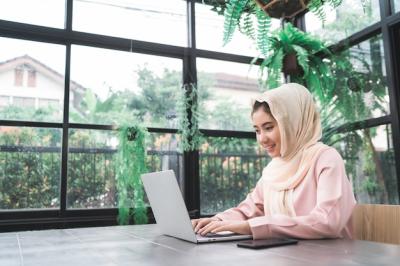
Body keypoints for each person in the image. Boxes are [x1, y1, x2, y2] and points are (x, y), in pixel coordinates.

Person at [192, 83, 356, 240]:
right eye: (257, 130)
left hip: (331, 257)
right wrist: (218, 220)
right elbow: (249, 210)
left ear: (291, 123)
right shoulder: (274, 169)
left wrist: (251, 227)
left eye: (268, 127)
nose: (262, 139)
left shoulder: (325, 158)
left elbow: (327, 221)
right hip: (287, 256)